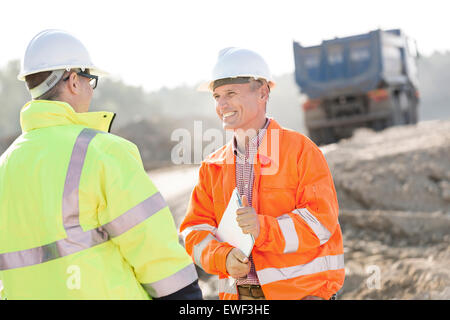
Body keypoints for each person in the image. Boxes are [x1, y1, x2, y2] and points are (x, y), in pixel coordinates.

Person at [0, 29, 202, 300]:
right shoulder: (100, 151)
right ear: (73, 80)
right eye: (89, 80)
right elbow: (153, 249)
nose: (90, 90)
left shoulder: (6, 166)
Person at [180, 47, 345, 300]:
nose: (222, 104)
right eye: (216, 96)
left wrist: (262, 228)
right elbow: (194, 232)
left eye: (231, 93)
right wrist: (222, 257)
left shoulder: (300, 151)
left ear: (263, 92)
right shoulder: (212, 167)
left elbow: (320, 222)